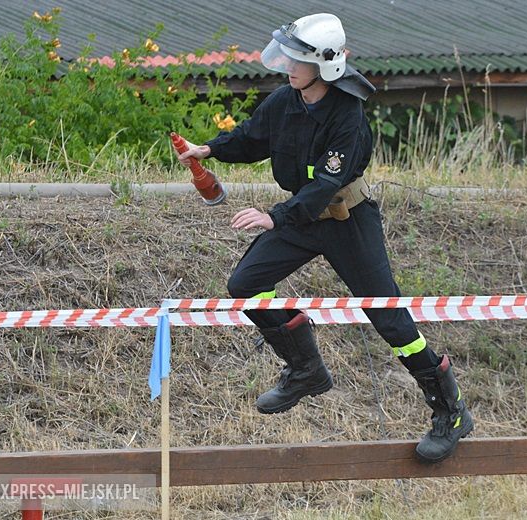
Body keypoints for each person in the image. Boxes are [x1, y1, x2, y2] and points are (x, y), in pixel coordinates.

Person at [176, 13, 473, 463]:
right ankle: (305, 370)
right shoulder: (284, 99)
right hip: (301, 217)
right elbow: (252, 139)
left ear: (326, 65)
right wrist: (210, 149)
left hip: (346, 219)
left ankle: (449, 410)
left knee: (390, 320)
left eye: (297, 59)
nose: (287, 66)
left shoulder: (348, 115)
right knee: (247, 285)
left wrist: (277, 217)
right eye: (288, 56)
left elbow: (326, 186)